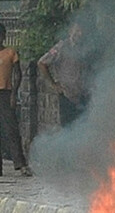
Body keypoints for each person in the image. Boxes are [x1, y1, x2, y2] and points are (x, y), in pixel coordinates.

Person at [37, 23, 89, 126]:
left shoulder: (85, 48)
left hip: (83, 96)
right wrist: (53, 84)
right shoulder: (61, 47)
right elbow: (42, 63)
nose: (80, 34)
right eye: (77, 31)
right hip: (67, 96)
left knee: (83, 129)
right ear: (70, 31)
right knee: (68, 129)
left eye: (81, 31)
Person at [0, 24, 32, 176]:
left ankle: (20, 164)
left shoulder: (10, 53)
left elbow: (17, 74)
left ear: (4, 36)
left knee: (12, 129)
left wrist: (14, 93)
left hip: (6, 94)